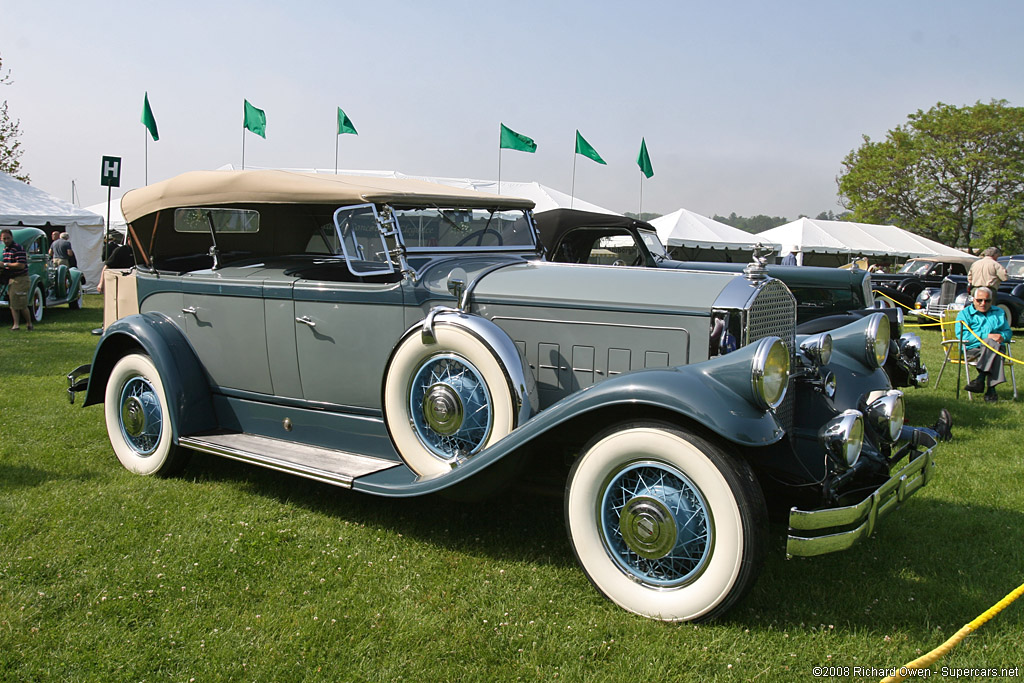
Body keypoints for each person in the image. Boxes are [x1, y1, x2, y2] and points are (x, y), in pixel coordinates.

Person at [955, 286, 1012, 402]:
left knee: (993, 346)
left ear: (992, 301)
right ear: (973, 300)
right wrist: (987, 336)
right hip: (973, 350)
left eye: (987, 301)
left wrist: (1003, 337)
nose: (983, 303)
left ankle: (980, 379)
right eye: (979, 300)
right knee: (992, 346)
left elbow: (1008, 332)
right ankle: (991, 390)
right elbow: (962, 335)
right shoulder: (964, 315)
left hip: (995, 348)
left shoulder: (999, 312)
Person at [1, 228, 33, 330]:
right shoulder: (5, 250)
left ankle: (29, 323)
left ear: (12, 237)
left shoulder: (17, 248)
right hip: (12, 279)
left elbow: (21, 265)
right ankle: (16, 325)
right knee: (13, 303)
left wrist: (4, 264)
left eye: (8, 238)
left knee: (21, 304)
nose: (6, 240)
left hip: (21, 278)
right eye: (4, 239)